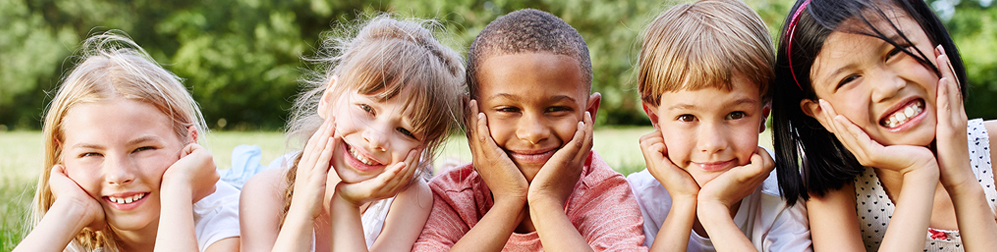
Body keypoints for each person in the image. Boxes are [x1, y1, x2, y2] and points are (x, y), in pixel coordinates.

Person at [770, 0, 997, 251]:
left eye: (895, 51)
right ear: (819, 112)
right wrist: (919, 173)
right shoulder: (830, 178)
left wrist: (962, 181)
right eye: (848, 79)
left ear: (933, 40)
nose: (887, 87)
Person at [412, 9, 646, 251]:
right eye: (508, 109)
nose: (533, 133)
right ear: (469, 116)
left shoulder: (604, 195)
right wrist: (508, 202)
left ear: (590, 114)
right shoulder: (453, 198)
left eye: (556, 109)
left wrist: (546, 203)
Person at [237, 16, 464, 252]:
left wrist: (347, 204)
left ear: (424, 148)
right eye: (367, 108)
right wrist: (302, 210)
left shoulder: (411, 199)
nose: (376, 139)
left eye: (405, 131)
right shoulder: (265, 190)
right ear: (328, 98)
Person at [15, 31, 240, 252]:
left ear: (189, 142)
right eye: (91, 154)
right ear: (62, 155)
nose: (119, 175)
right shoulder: (73, 227)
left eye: (143, 148)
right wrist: (71, 209)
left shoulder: (225, 219)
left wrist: (178, 186)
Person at [627, 0, 811, 251]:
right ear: (655, 119)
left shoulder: (781, 194)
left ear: (763, 115)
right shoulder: (636, 199)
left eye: (736, 114)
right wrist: (683, 201)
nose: (712, 144)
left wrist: (714, 211)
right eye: (687, 117)